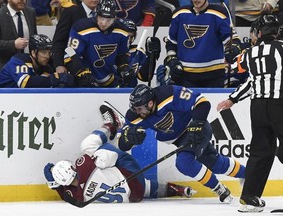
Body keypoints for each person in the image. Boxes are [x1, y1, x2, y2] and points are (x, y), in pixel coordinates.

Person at [115, 84, 246, 203]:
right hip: (179, 140)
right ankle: (248, 174)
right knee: (214, 163)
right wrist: (128, 138)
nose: (137, 112)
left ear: (150, 103)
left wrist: (198, 123)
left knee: (184, 163)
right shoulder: (135, 115)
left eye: (139, 109)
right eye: (135, 109)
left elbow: (202, 102)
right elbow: (122, 144)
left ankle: (219, 189)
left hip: (195, 130)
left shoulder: (169, 93)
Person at [44, 102, 196, 204]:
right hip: (133, 174)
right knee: (88, 147)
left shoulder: (75, 197)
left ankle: (179, 190)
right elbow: (113, 156)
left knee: (128, 183)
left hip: (136, 196)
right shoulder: (83, 166)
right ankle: (114, 126)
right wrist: (101, 158)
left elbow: (63, 192)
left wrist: (54, 183)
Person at [217, 14, 282, 212]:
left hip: (258, 108)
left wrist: (232, 99)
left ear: (259, 32)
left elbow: (244, 75)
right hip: (280, 105)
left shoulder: (250, 53)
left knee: (260, 152)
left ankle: (249, 197)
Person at [160, 0, 241, 88]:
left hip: (214, 74)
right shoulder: (179, 14)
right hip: (185, 74)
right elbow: (171, 42)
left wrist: (233, 49)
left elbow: (232, 40)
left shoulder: (219, 13)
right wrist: (171, 58)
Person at [65, 0, 133, 87]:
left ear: (114, 18)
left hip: (109, 78)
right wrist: (81, 73)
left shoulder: (122, 31)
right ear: (96, 15)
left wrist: (124, 68)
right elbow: (70, 54)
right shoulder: (81, 27)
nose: (104, 23)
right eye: (102, 18)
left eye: (108, 20)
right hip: (84, 77)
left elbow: (122, 54)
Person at [0, 34, 74, 88]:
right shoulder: (18, 60)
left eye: (49, 52)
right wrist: (55, 78)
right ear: (33, 52)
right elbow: (25, 82)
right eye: (43, 52)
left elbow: (44, 84)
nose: (47, 56)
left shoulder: (46, 67)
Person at [52, 0, 99, 74]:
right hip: (76, 64)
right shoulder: (70, 12)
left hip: (99, 65)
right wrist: (58, 64)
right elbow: (59, 40)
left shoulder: (103, 14)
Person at [0, 0, 37, 76]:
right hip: (6, 67)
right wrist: (13, 44)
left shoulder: (31, 12)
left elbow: (34, 37)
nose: (22, 1)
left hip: (29, 66)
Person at [119, 18, 161, 87]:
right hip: (107, 90)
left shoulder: (137, 51)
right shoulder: (113, 49)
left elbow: (145, 77)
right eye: (126, 36)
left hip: (129, 92)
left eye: (131, 36)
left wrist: (151, 57)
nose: (128, 39)